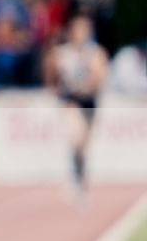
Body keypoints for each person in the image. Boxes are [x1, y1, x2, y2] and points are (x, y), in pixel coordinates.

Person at [44, 11, 108, 202]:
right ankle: (74, 176)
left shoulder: (95, 53)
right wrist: (54, 88)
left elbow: (100, 77)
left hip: (88, 102)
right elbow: (50, 71)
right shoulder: (62, 53)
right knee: (75, 136)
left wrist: (91, 82)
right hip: (70, 100)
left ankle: (81, 175)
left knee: (84, 145)